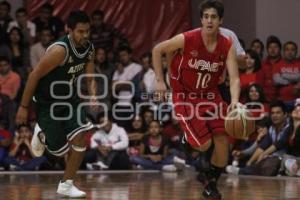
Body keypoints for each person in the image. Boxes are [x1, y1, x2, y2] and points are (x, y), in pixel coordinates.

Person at [152, 0, 240, 199]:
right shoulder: (187, 38)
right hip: (185, 96)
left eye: (214, 17)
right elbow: (158, 50)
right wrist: (159, 80)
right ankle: (187, 140)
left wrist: (234, 100)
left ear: (221, 21)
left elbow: (234, 78)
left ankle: (211, 184)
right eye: (206, 17)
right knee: (203, 145)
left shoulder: (227, 45)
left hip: (211, 96)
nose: (209, 20)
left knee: (222, 143)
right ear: (201, 19)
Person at [15, 11, 96, 198]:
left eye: (87, 31)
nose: (84, 35)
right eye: (80, 31)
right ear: (69, 30)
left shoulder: (89, 48)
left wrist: (92, 95)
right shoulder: (60, 50)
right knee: (59, 151)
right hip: (47, 102)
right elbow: (34, 75)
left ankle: (66, 184)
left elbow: (90, 75)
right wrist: (24, 107)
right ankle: (41, 132)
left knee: (81, 136)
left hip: (70, 99)